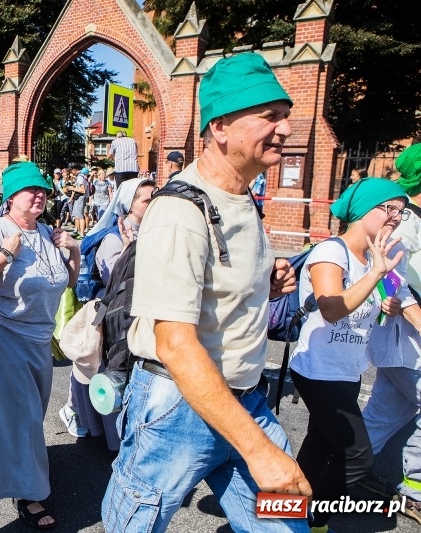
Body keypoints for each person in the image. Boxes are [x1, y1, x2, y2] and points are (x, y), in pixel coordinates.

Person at [103, 53, 310, 533]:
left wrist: (264, 282)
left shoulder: (242, 196)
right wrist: (260, 450)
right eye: (269, 115)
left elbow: (218, 288)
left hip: (242, 398)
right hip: (179, 406)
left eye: (285, 114)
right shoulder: (180, 211)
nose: (284, 127)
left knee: (286, 525)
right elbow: (174, 342)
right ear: (220, 126)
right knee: (133, 526)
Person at [288, 178, 406, 532]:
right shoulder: (331, 252)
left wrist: (391, 304)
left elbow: (368, 307)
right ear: (362, 210)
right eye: (389, 208)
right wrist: (375, 275)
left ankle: (287, 513)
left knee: (318, 447)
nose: (396, 217)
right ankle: (315, 520)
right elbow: (332, 309)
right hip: (319, 370)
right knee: (357, 457)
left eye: (400, 212)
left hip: (348, 370)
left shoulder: (374, 258)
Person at [0, 161, 80, 530]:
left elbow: (65, 283)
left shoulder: (49, 231)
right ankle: (27, 492)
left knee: (23, 410)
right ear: (11, 196)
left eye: (43, 190)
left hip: (39, 337)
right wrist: (7, 254)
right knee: (26, 417)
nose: (39, 195)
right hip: (5, 334)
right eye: (30, 190)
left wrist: (75, 253)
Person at [61, 178, 155, 450]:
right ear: (128, 204)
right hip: (114, 318)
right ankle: (94, 425)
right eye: (146, 199)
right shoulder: (113, 237)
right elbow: (115, 281)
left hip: (139, 315)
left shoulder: (152, 232)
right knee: (108, 371)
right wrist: (128, 249)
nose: (152, 203)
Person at [359, 143, 421, 526]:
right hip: (405, 336)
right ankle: (414, 487)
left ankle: (344, 468)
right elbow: (389, 274)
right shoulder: (407, 222)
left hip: (405, 341)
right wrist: (411, 312)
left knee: (387, 410)